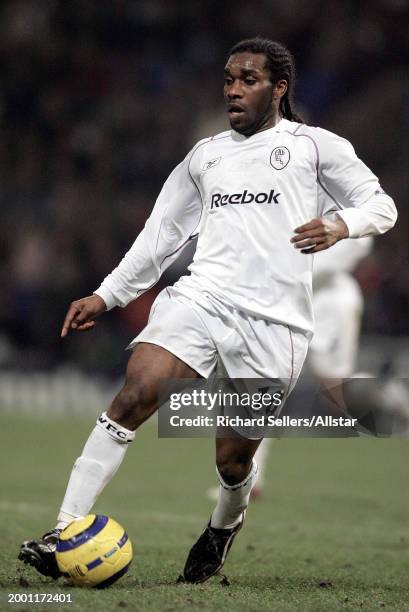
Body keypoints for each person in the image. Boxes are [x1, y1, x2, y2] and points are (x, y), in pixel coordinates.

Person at [19, 37, 397, 584]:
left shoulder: (316, 148)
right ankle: (64, 529)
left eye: (248, 79)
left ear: (280, 87)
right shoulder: (206, 156)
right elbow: (159, 237)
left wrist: (342, 224)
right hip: (201, 300)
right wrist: (108, 294)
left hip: (276, 324)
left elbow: (380, 205)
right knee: (135, 393)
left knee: (233, 462)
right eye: (228, 79)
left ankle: (226, 520)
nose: (234, 90)